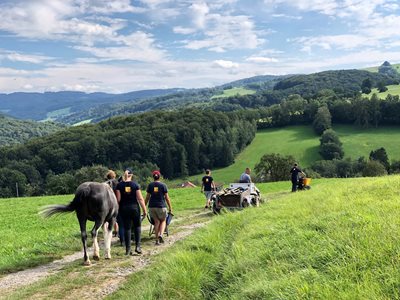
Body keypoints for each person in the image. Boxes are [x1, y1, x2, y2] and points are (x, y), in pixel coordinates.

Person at [115, 168, 147, 255]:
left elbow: (118, 200)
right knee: (137, 226)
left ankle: (128, 249)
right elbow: (140, 198)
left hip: (124, 209)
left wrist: (117, 210)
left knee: (127, 228)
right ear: (131, 175)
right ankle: (138, 247)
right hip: (134, 208)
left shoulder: (119, 186)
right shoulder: (135, 185)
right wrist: (144, 210)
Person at [145, 170, 172, 245]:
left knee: (156, 222)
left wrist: (144, 206)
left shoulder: (150, 185)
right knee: (163, 221)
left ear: (153, 177)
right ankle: (161, 235)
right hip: (161, 206)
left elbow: (147, 197)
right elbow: (167, 198)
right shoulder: (163, 185)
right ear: (160, 177)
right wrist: (170, 207)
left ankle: (156, 240)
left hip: (152, 207)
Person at [105, 170, 119, 238]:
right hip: (116, 200)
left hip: (107, 201)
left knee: (107, 218)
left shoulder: (105, 183)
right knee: (115, 217)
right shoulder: (117, 182)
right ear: (114, 175)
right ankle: (116, 231)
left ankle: (108, 231)